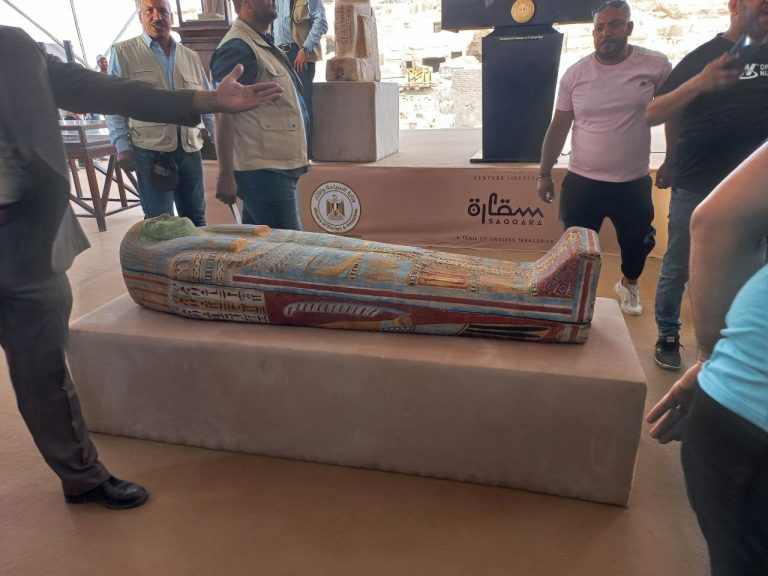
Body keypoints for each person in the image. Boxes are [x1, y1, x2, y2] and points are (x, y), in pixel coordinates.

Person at [0, 24, 281, 509]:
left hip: (25, 240)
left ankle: (82, 477)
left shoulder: (13, 47)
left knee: (44, 373)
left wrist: (207, 101)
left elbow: (107, 91)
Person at [646, 141, 768, 576]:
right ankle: (667, 333)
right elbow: (715, 221)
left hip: (734, 407)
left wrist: (714, 356)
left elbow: (719, 221)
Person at [646, 0, 768, 371]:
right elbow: (653, 113)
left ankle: (744, 343)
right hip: (700, 181)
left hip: (758, 189)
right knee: (679, 264)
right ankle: (669, 333)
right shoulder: (704, 56)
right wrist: (700, 83)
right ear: (734, 5)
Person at [537, 0, 670, 317]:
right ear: (593, 32)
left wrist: (674, 159)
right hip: (583, 181)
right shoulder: (575, 75)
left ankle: (628, 284)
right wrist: (544, 173)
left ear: (629, 28)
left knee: (638, 244)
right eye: (599, 27)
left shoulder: (655, 66)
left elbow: (673, 113)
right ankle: (574, 295)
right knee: (576, 248)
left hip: (632, 181)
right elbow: (559, 126)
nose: (606, 33)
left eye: (615, 25)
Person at [106, 0, 215, 227]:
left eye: (163, 11)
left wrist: (215, 137)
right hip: (150, 152)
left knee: (196, 218)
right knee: (159, 223)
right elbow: (114, 104)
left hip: (190, 151)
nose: (157, 16)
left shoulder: (191, 57)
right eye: (149, 11)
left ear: (171, 16)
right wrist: (122, 146)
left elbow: (206, 102)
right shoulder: (123, 53)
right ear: (140, 16)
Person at [211, 0, 310, 230]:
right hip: (263, 172)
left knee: (261, 245)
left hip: (274, 167)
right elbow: (222, 112)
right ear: (246, 3)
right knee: (287, 247)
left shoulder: (260, 43)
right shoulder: (237, 47)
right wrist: (225, 173)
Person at [273, 0, 327, 127]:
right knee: (280, 107)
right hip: (277, 54)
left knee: (302, 107)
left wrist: (305, 49)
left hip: (299, 54)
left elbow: (321, 22)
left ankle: (306, 140)